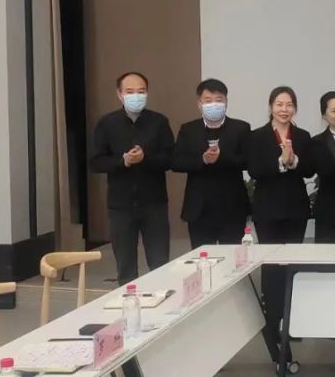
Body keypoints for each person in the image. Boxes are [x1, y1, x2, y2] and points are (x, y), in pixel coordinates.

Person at [247, 86, 315, 367]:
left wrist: (294, 160)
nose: (284, 109)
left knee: (292, 265)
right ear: (270, 107)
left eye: (289, 104)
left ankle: (290, 319)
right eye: (279, 104)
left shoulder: (303, 136)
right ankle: (272, 320)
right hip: (267, 209)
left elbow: (310, 169)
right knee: (271, 265)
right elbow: (254, 169)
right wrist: (280, 162)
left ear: (295, 108)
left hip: (295, 208)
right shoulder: (257, 136)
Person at [90, 72, 173, 286]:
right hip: (121, 206)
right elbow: (96, 162)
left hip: (154, 204)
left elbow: (170, 158)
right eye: (130, 91)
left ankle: (162, 301)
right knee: (125, 266)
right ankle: (129, 302)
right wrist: (123, 161)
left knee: (160, 263)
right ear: (120, 94)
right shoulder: (107, 123)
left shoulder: (159, 122)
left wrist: (146, 159)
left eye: (141, 91)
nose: (136, 96)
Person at [172, 78, 252, 248]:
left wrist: (222, 158)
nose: (213, 104)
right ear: (199, 104)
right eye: (208, 100)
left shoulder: (241, 128)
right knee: (202, 257)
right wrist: (202, 159)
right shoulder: (188, 129)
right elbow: (177, 162)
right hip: (199, 209)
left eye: (219, 100)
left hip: (232, 208)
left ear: (226, 102)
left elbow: (249, 160)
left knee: (233, 257)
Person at [310, 91, 335, 243]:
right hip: (329, 208)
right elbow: (325, 171)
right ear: (324, 115)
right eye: (334, 111)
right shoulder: (317, 142)